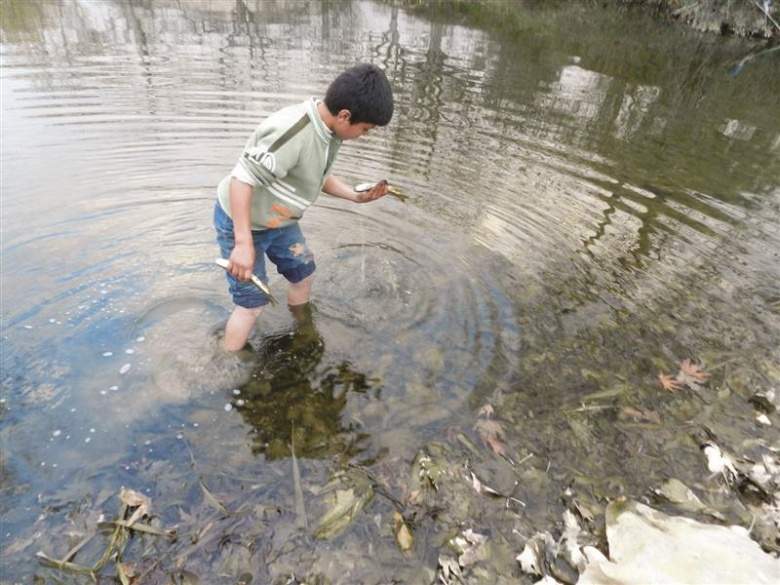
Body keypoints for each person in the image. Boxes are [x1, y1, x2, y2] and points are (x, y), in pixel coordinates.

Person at [214, 63, 394, 351]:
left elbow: (317, 176)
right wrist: (243, 243)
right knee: (252, 305)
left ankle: (301, 331)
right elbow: (241, 180)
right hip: (243, 221)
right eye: (365, 129)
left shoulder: (329, 132)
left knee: (304, 274)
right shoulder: (293, 132)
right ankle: (226, 361)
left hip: (280, 221)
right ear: (345, 115)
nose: (364, 135)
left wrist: (355, 196)